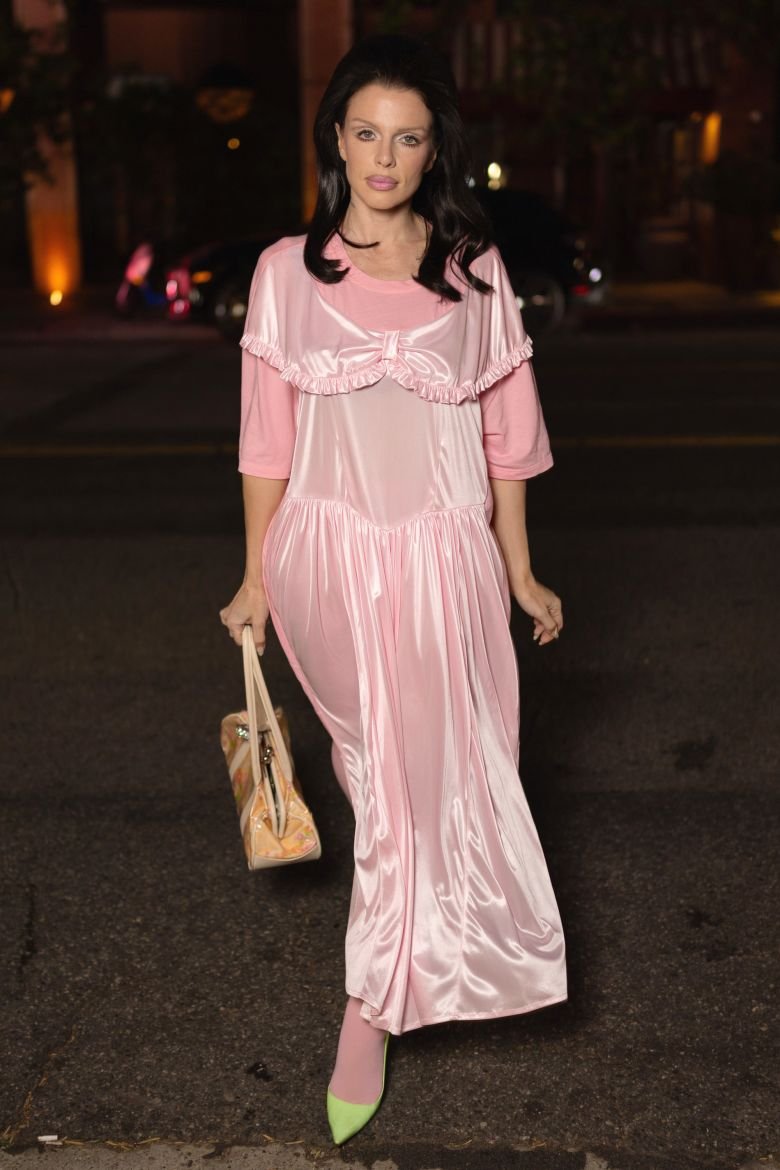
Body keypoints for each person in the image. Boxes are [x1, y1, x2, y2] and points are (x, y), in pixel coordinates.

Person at [219, 33, 567, 1146]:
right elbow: (265, 442)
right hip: (323, 557)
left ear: (433, 151)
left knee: (431, 780)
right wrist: (253, 574)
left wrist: (518, 568)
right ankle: (377, 1002)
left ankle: (378, 997)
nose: (384, 157)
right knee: (382, 776)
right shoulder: (288, 271)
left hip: (446, 559)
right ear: (335, 139)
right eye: (365, 133)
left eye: (407, 138)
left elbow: (509, 438)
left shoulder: (474, 271)